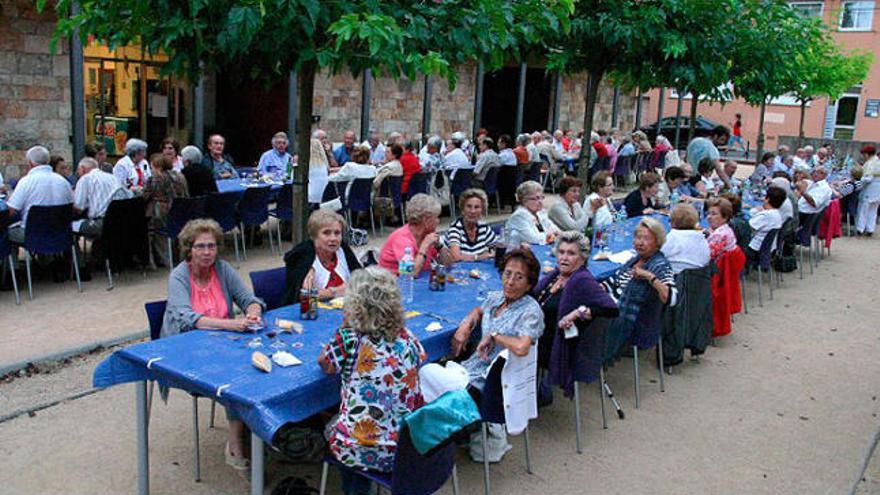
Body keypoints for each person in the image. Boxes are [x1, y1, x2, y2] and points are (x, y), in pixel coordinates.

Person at [160, 218, 265, 475]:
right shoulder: (179, 276)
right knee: (236, 376)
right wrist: (232, 325)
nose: (207, 252)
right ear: (189, 249)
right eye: (200, 247)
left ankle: (253, 430)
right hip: (184, 349)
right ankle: (235, 445)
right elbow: (187, 318)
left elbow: (249, 299)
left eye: (212, 246)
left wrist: (252, 312)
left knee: (258, 365)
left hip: (222, 342)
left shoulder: (223, 269)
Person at [319, 266, 426, 494]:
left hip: (363, 448)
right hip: (407, 447)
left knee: (328, 428)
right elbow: (421, 358)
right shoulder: (408, 337)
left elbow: (326, 364)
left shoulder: (349, 338)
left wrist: (345, 325)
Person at [450, 248, 544, 462]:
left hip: (493, 382)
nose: (510, 281)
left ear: (529, 284)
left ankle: (433, 449)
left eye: (519, 277)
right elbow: (478, 310)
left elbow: (522, 347)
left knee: (427, 376)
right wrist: (466, 324)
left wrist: (495, 335)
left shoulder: (530, 311)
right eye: (507, 274)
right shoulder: (496, 298)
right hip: (472, 368)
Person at [532, 231, 619, 397]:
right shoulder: (556, 274)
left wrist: (579, 312)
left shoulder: (582, 280)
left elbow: (611, 308)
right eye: (561, 252)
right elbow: (533, 296)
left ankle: (525, 400)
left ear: (583, 258)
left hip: (558, 346)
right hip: (540, 334)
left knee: (511, 348)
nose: (564, 257)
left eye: (571, 253)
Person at [601, 217, 677, 357]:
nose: (640, 242)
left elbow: (671, 298)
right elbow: (615, 281)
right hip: (614, 308)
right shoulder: (635, 260)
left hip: (633, 322)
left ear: (657, 242)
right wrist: (598, 288)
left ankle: (583, 366)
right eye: (637, 237)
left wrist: (649, 276)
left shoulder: (659, 265)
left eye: (646, 238)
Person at [282, 209, 362, 305]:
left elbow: (362, 281)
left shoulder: (343, 250)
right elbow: (303, 298)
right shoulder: (303, 257)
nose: (333, 238)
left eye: (337, 233)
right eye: (326, 233)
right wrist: (334, 292)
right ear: (314, 236)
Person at [6, 145, 74, 244]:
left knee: (6, 232)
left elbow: (11, 210)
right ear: (47, 161)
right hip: (60, 232)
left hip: (32, 234)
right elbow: (72, 206)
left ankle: (12, 259)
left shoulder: (26, 181)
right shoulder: (63, 182)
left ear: (30, 163)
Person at [378, 194, 452, 276]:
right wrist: (424, 246)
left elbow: (448, 266)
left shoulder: (426, 235)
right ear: (426, 220)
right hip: (392, 285)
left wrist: (440, 247)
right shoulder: (402, 238)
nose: (438, 221)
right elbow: (409, 274)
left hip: (419, 283)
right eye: (436, 217)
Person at [143, 153, 189, 266]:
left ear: (158, 167)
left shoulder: (155, 179)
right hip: (180, 214)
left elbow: (144, 196)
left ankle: (162, 261)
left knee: (147, 223)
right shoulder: (180, 177)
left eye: (151, 167)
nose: (151, 170)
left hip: (162, 215)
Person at [72, 157, 131, 236]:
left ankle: (79, 248)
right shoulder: (113, 178)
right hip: (120, 222)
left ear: (83, 169)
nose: (78, 173)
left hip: (101, 224)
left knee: (70, 225)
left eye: (78, 170)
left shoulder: (85, 179)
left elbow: (78, 208)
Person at [444, 189, 498, 262]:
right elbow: (455, 257)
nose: (472, 211)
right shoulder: (455, 229)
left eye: (477, 207)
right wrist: (478, 257)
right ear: (462, 209)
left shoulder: (484, 227)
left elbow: (497, 248)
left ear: (482, 211)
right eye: (469, 206)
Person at [661, 204, 710, 274]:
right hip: (699, 279)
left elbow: (661, 253)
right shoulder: (702, 238)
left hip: (675, 277)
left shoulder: (672, 237)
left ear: (672, 223)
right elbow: (706, 259)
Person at [505, 180, 558, 245]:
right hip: (518, 253)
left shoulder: (541, 212)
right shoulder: (519, 216)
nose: (540, 201)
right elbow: (533, 238)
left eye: (542, 197)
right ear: (524, 200)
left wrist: (552, 234)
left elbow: (555, 230)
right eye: (536, 198)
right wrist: (550, 235)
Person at [747, 186, 786, 259]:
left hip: (755, 250)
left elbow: (747, 228)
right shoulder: (777, 214)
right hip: (767, 249)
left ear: (767, 199)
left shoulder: (765, 215)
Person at [857, 146, 880, 236]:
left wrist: (859, 180)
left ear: (867, 154)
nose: (863, 156)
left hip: (870, 189)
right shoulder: (878, 161)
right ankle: (870, 229)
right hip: (878, 190)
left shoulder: (870, 163)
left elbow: (868, 178)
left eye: (864, 154)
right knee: (873, 210)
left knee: (864, 209)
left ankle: (860, 229)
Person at [497, 134, 519, 209]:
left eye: (499, 142)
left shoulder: (503, 155)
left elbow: (497, 165)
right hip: (511, 182)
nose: (498, 144)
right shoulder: (512, 154)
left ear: (504, 144)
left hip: (502, 181)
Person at [308, 137, 330, 206]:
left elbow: (289, 178)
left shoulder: (306, 165)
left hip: (309, 198)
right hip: (323, 198)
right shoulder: (324, 165)